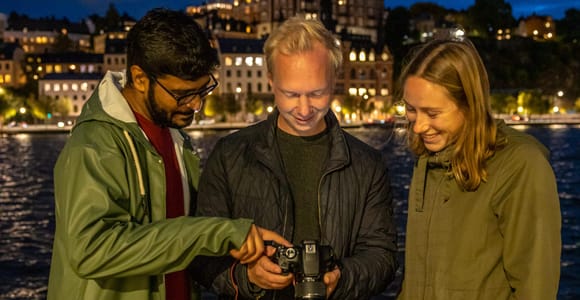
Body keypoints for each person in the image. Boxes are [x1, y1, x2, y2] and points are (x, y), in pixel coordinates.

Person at [47, 8, 288, 300]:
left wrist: (246, 258)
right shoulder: (93, 144)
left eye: (203, 90)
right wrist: (219, 233)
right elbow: (91, 250)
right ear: (139, 78)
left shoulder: (177, 138)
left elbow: (187, 237)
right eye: (183, 94)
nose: (196, 105)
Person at [189, 16, 398, 299]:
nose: (303, 109)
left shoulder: (368, 164)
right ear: (271, 81)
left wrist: (341, 278)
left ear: (334, 79)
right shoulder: (228, 155)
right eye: (291, 94)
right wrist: (247, 276)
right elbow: (201, 254)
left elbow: (382, 257)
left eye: (317, 93)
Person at [396, 29, 561, 300]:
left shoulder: (522, 165)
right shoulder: (428, 160)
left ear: (469, 105)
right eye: (411, 109)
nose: (419, 125)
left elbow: (535, 288)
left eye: (432, 113)